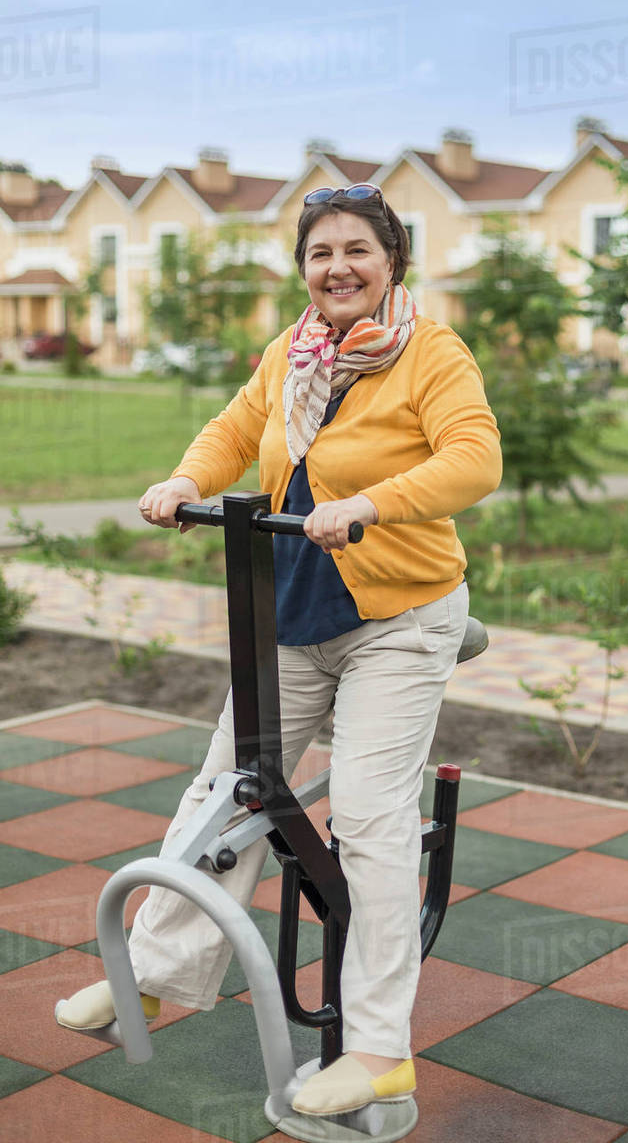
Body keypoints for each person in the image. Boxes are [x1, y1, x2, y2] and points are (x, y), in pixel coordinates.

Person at [56, 183, 502, 1117]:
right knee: (226, 788)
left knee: (372, 817)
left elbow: (473, 458)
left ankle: (380, 1049)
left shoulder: (432, 353)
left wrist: (369, 504)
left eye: (357, 251)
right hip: (295, 612)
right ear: (304, 269)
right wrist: (184, 479)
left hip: (400, 615)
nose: (337, 268)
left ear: (393, 262)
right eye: (319, 253)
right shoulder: (291, 353)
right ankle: (152, 970)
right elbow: (233, 431)